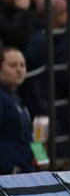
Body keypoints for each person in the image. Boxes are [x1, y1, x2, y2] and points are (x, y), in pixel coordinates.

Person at [0, 47, 34, 175]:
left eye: (22, 65)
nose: (19, 70)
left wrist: (40, 158)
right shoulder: (2, 98)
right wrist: (8, 168)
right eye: (13, 65)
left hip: (24, 170)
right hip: (11, 176)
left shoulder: (15, 96)